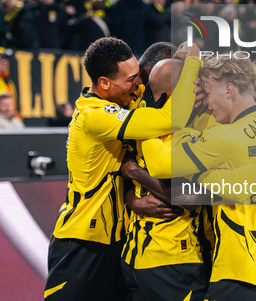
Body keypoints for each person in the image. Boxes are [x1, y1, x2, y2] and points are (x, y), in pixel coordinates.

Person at [44, 37, 201, 300]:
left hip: (119, 239)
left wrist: (130, 198)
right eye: (131, 79)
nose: (138, 84)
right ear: (104, 83)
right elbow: (169, 117)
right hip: (83, 240)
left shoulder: (124, 99)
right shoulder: (95, 116)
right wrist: (192, 62)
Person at [144, 56, 256, 300]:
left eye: (207, 92)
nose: (206, 102)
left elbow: (160, 164)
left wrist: (148, 122)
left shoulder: (223, 137)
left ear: (228, 89)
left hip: (244, 272)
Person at [120, 59, 208, 301]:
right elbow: (187, 197)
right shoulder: (189, 135)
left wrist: (132, 192)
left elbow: (125, 171)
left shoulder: (137, 125)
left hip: (135, 255)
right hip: (173, 259)